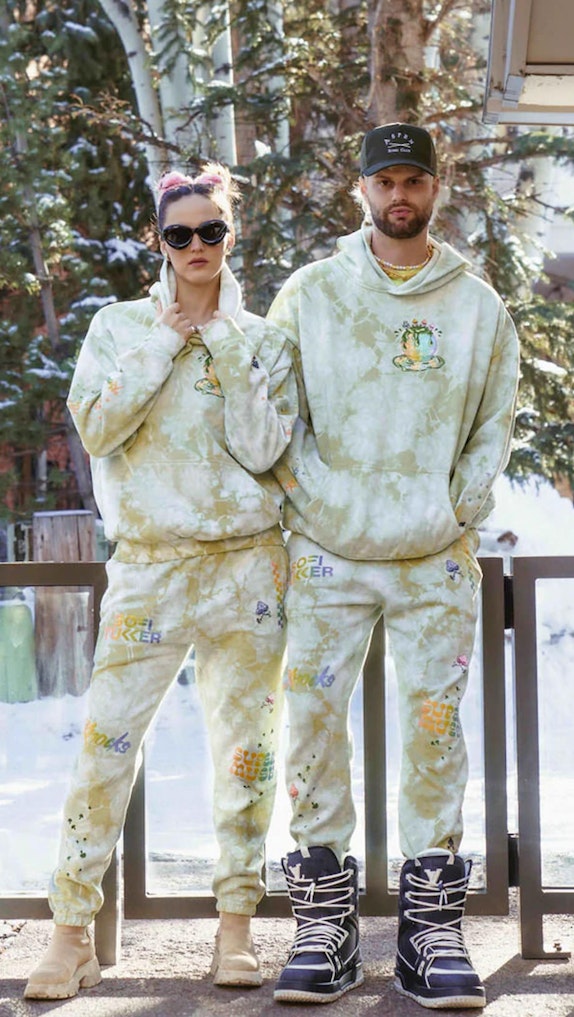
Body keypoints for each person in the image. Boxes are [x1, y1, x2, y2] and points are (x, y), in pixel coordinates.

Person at [24, 164, 298, 1000]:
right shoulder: (115, 328)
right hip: (147, 567)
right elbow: (98, 424)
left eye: (211, 230)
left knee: (245, 755)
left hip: (248, 565)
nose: (196, 247)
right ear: (158, 240)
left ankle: (236, 927)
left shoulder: (263, 339)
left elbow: (266, 450)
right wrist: (168, 341)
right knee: (105, 747)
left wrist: (214, 340)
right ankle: (70, 933)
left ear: (230, 234)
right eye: (179, 233)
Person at [267, 123, 520, 1009]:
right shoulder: (310, 292)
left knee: (434, 729)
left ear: (436, 189)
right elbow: (274, 410)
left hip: (434, 558)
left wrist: (458, 505)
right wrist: (316, 503)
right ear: (361, 190)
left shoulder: (477, 304)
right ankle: (325, 921)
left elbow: (494, 422)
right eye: (385, 181)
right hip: (329, 556)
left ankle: (429, 924)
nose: (399, 195)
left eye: (414, 179)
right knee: (309, 721)